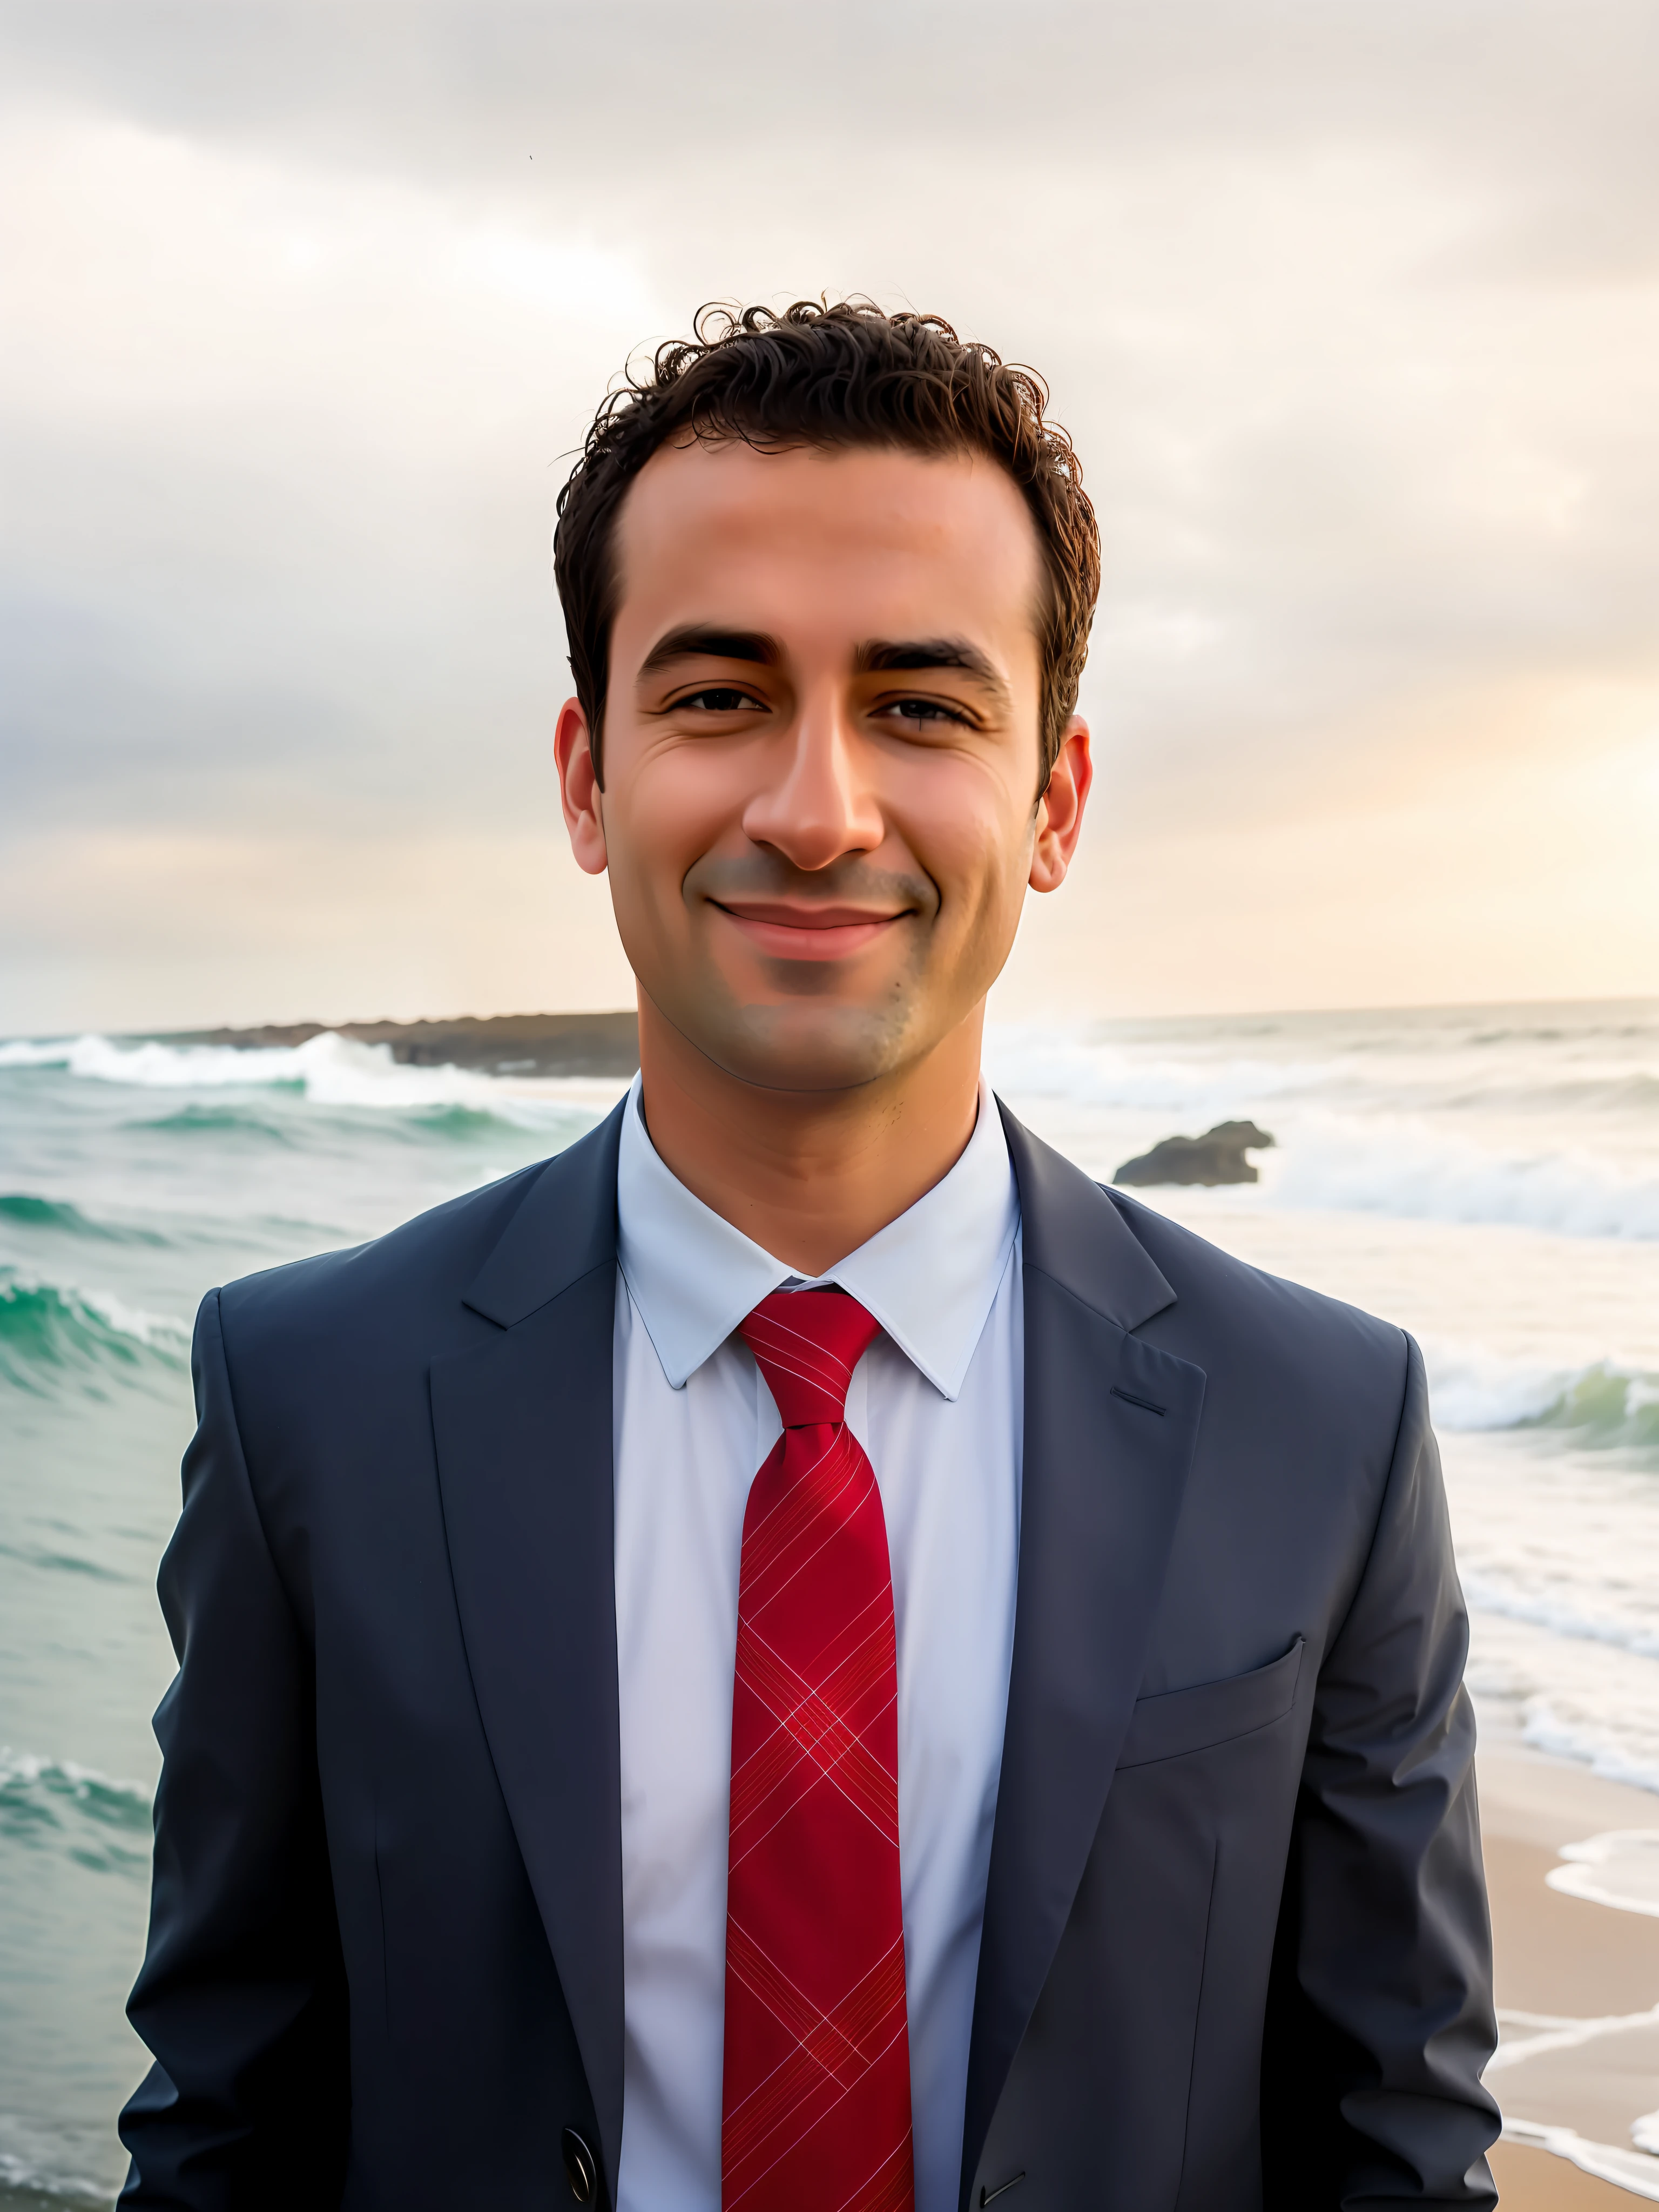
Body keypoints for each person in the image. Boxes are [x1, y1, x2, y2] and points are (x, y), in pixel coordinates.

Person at [118, 301, 1499, 2211]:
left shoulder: (1326, 1426)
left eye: (924, 707)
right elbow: (226, 2121)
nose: (817, 808)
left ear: (1055, 804)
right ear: (589, 779)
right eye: (719, 695)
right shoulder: (312, 1402)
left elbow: (1399, 2145)